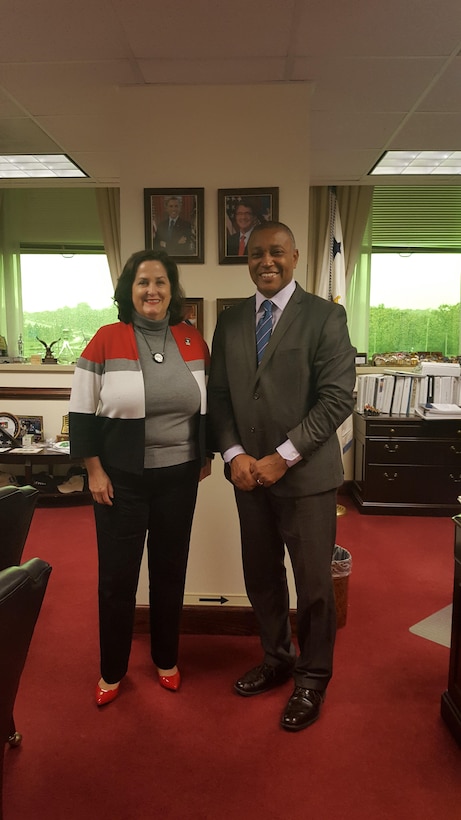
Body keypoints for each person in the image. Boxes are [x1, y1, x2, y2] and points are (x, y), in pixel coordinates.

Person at [208, 221, 356, 732]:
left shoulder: (325, 316)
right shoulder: (228, 323)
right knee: (262, 578)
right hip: (248, 479)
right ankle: (277, 659)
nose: (265, 261)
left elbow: (337, 397)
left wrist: (282, 456)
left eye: (276, 252)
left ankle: (312, 679)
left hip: (306, 479)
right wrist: (232, 455)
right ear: (245, 260)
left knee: (314, 586)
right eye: (255, 254)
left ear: (295, 255)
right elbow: (221, 397)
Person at [69, 249, 211, 707]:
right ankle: (112, 670)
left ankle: (166, 659)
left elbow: (208, 404)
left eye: (161, 282)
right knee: (117, 578)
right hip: (120, 479)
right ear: (129, 290)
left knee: (170, 573)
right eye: (143, 282)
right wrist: (93, 468)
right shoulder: (107, 339)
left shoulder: (192, 339)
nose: (152, 291)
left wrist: (203, 455)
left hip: (178, 478)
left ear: (173, 291)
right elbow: (81, 409)